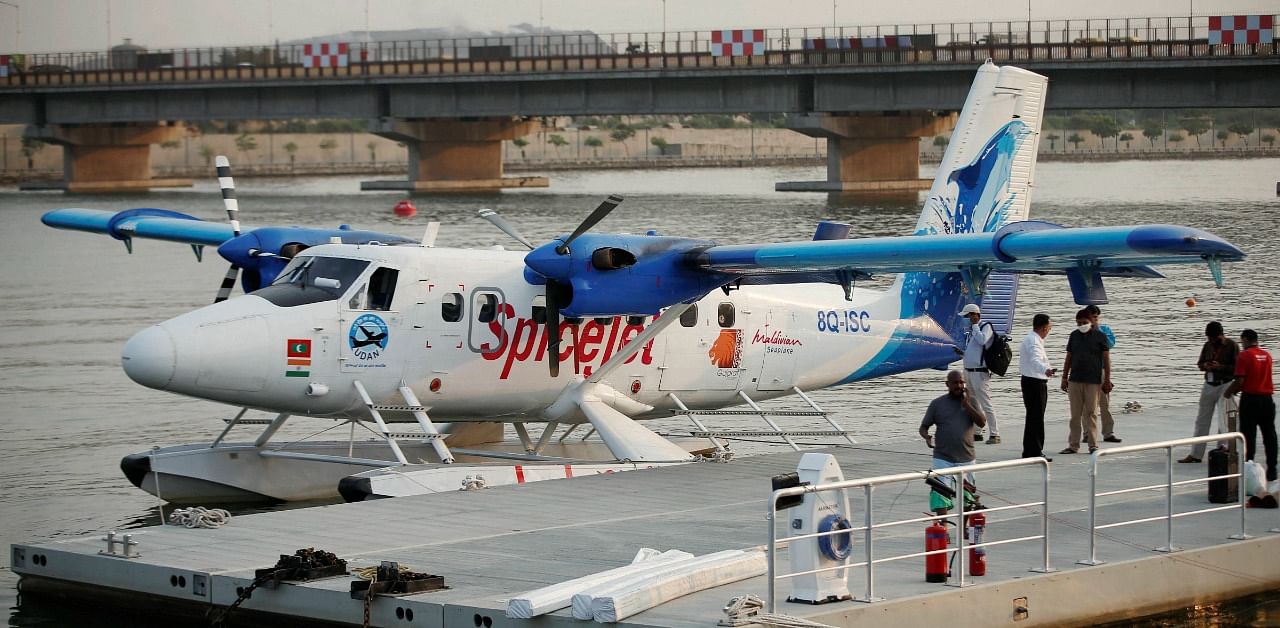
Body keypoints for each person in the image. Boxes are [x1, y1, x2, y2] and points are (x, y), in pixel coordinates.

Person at [920, 370, 988, 499]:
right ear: (947, 384)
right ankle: (944, 520)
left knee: (968, 498)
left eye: (962, 382)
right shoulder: (937, 404)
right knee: (940, 497)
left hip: (966, 458)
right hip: (942, 458)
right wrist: (927, 437)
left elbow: (982, 422)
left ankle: (963, 520)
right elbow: (923, 427)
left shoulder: (972, 401)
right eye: (955, 383)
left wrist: (966, 405)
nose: (959, 386)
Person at [1179, 321, 1239, 463]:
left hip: (1226, 384)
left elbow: (1237, 369)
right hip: (1209, 384)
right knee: (1202, 420)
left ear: (1220, 335)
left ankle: (1222, 449)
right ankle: (1196, 454)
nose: (1210, 340)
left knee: (1223, 419)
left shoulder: (1232, 346)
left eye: (1212, 337)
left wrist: (1220, 367)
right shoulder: (1207, 345)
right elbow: (1200, 363)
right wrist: (1205, 365)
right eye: (1208, 337)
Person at [1223, 329, 1276, 485]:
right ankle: (1272, 470)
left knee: (1248, 435)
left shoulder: (1244, 356)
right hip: (1267, 399)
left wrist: (1227, 393)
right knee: (1270, 435)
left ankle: (1249, 466)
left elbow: (1240, 381)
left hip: (1250, 399)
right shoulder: (1267, 356)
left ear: (1245, 340)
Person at [1059, 308, 1112, 454]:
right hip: (1075, 380)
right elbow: (1069, 357)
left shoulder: (1100, 337)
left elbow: (1106, 360)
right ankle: (1073, 445)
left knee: (1091, 413)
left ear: (1091, 322)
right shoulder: (1074, 336)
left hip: (1093, 381)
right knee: (1075, 414)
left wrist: (1107, 379)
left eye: (1084, 322)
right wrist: (1064, 377)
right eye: (1078, 323)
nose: (1081, 325)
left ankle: (1093, 444)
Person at [958, 303, 1000, 444]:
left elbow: (982, 340)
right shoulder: (972, 330)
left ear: (975, 315)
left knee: (986, 403)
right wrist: (962, 353)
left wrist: (976, 325)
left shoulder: (985, 326)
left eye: (968, 316)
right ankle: (977, 432)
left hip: (980, 372)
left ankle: (995, 433)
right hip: (969, 371)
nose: (967, 319)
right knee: (974, 403)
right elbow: (974, 351)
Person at [1019, 313, 1055, 460]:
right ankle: (1035, 450)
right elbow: (1035, 360)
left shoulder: (1032, 338)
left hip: (1029, 381)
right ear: (1044, 327)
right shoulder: (1034, 341)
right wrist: (1045, 370)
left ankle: (1029, 449)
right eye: (1049, 327)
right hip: (1035, 382)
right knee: (1036, 417)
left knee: (1032, 416)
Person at [1085, 305, 1121, 443]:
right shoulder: (1082, 332)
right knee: (1087, 405)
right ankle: (1087, 432)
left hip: (1101, 370)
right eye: (1091, 317)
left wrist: (1098, 330)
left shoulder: (1104, 330)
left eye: (1095, 317)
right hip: (1087, 371)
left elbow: (1110, 344)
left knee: (1104, 403)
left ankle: (1108, 432)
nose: (1093, 320)